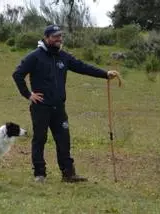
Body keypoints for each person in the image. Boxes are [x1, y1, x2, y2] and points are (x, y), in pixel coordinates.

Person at [12, 25, 120, 183]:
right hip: (41, 107)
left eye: (61, 36)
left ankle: (68, 174)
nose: (59, 39)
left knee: (64, 139)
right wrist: (28, 95)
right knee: (40, 139)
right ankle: (40, 174)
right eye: (56, 36)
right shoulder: (35, 56)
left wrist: (104, 74)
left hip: (59, 107)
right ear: (47, 37)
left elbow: (82, 67)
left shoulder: (63, 56)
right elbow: (18, 74)